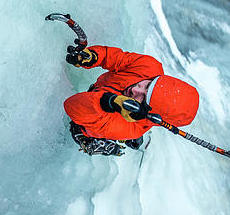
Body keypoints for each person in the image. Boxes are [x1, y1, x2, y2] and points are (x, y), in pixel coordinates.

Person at [63, 45, 199, 156]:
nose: (136, 90)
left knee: (78, 130)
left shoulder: (129, 127)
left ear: (147, 112)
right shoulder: (149, 67)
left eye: (144, 98)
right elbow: (115, 58)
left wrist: (110, 103)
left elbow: (71, 106)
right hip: (100, 90)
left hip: (89, 119)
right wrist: (94, 56)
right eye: (147, 85)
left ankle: (100, 143)